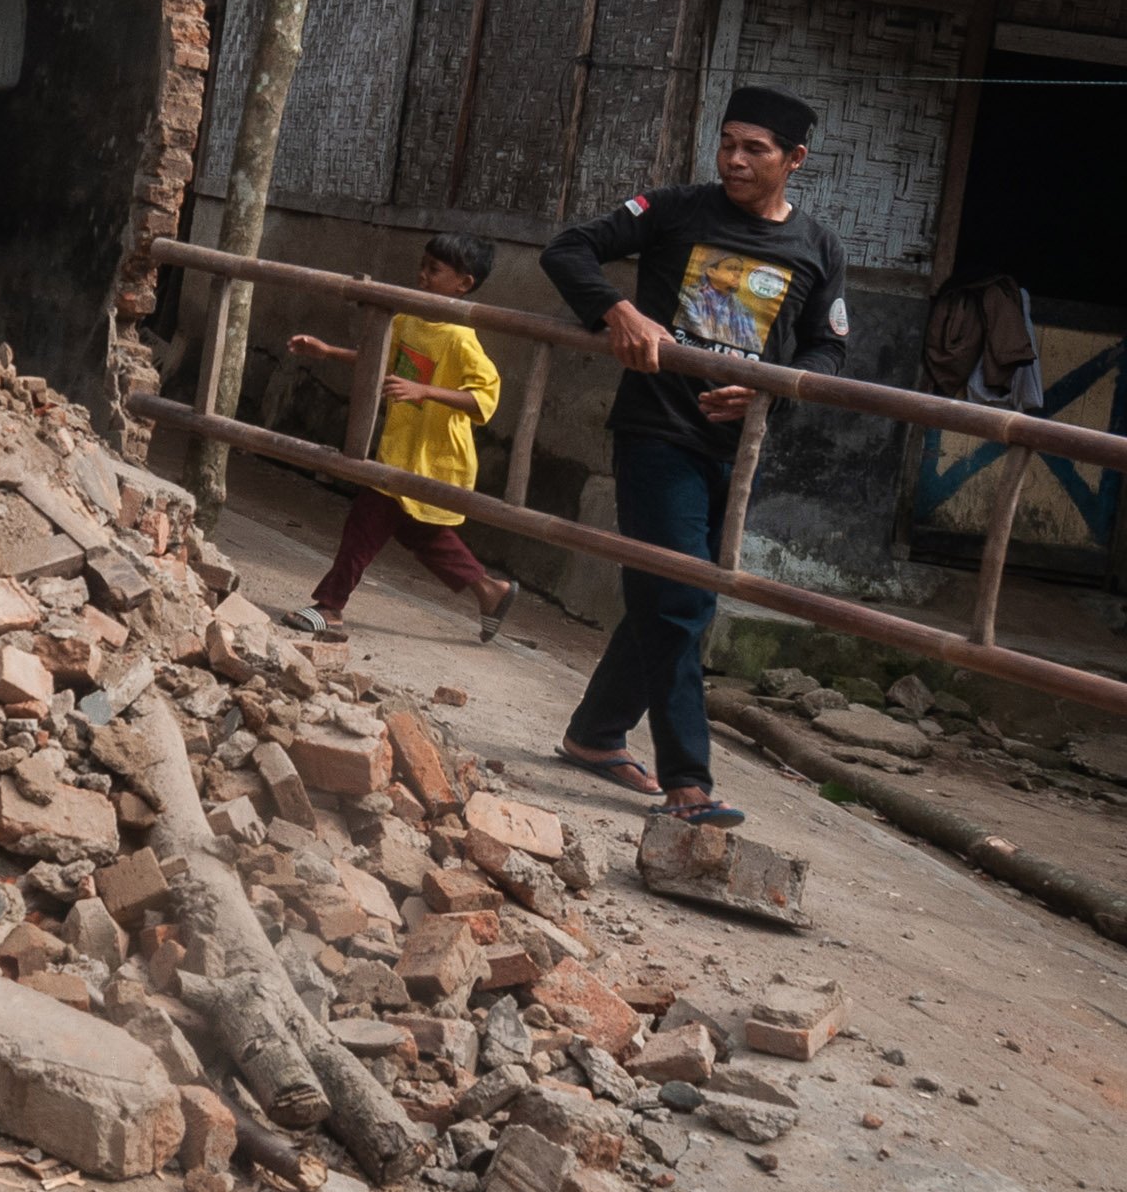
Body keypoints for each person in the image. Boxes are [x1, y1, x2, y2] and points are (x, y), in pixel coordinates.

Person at [539, 85, 849, 830]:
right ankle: (689, 782)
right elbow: (568, 248)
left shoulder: (818, 246)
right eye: (728, 142)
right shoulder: (674, 209)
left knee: (670, 596)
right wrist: (618, 308)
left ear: (794, 160)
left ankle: (594, 732)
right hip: (657, 432)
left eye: (756, 149)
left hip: (738, 455)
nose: (734, 160)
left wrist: (770, 394)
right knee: (680, 598)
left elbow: (829, 350)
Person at [286, 232, 518, 639]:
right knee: (420, 532)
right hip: (400, 448)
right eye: (423, 266)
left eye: (434, 270)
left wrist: (425, 390)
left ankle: (331, 605)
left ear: (464, 284)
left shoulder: (461, 338)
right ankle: (490, 591)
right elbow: (380, 359)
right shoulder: (409, 319)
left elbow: (485, 399)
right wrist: (328, 352)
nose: (422, 276)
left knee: (365, 521)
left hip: (435, 456)